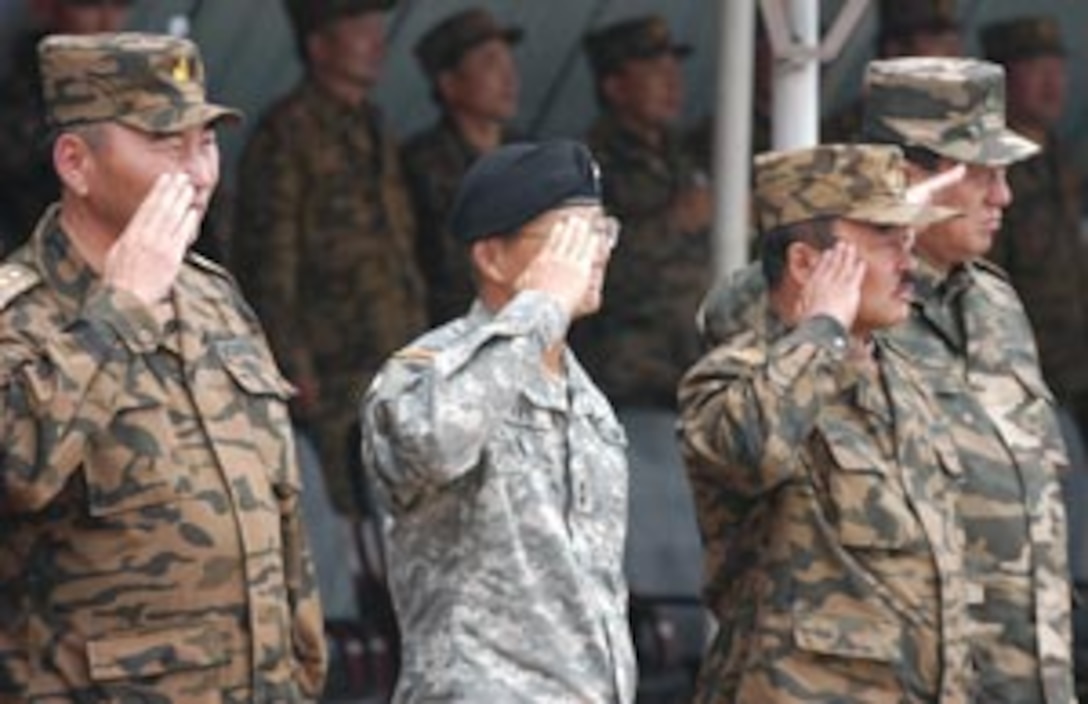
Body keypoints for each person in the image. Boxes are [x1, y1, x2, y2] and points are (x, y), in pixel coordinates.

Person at [0, 32, 325, 700]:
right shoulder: (17, 315)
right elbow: (18, 470)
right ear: (76, 163)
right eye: (165, 144)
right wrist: (119, 308)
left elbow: (280, 506)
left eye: (204, 142)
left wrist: (304, 664)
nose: (201, 172)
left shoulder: (216, 299)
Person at [678, 143, 971, 702]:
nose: (907, 261)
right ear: (805, 264)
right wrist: (822, 332)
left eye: (908, 239)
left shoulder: (903, 379)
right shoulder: (735, 378)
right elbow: (750, 452)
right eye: (885, 238)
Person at [360, 139, 636, 702]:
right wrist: (539, 308)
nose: (596, 253)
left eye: (602, 231)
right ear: (492, 257)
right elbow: (435, 442)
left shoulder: (588, 400)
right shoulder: (426, 374)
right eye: (571, 237)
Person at [863, 57, 1076, 703]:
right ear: (911, 176)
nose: (1003, 197)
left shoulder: (995, 302)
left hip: (1030, 673)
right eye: (982, 173)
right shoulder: (837, 303)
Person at [233, 0, 426, 516]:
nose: (377, 41)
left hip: (397, 362)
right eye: (360, 28)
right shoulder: (287, 133)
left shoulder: (375, 127)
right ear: (319, 46)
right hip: (334, 373)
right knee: (352, 529)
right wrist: (292, 367)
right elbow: (268, 264)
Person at [575, 16, 710, 645]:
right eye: (652, 69)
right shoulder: (589, 166)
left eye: (673, 66)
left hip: (688, 380)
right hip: (630, 383)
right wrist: (673, 223)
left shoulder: (682, 156)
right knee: (646, 562)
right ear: (613, 85)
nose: (672, 81)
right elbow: (588, 268)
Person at [981, 16, 1088, 441]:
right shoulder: (986, 174)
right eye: (1034, 68)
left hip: (1077, 366)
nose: (1052, 82)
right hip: (1026, 380)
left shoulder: (1062, 162)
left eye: (1058, 67)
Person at [402, 7, 523, 326]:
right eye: (489, 63)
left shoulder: (531, 156)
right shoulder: (419, 164)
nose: (508, 77)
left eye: (508, 61)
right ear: (450, 83)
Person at [0, 0, 133, 257]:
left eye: (121, 3)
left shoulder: (138, 86)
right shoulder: (16, 88)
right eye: (87, 5)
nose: (106, 20)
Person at [822, 0, 961, 142]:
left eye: (954, 42)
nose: (954, 53)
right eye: (935, 39)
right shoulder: (856, 127)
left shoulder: (958, 124)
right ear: (896, 51)